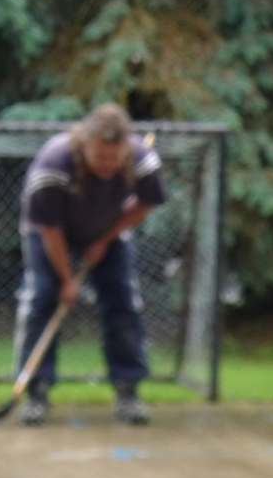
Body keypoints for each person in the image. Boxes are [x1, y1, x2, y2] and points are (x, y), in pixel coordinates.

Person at [14, 103, 166, 426]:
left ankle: (128, 389)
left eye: (114, 158)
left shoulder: (142, 161)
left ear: (125, 149)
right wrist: (67, 280)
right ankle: (36, 391)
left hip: (107, 230)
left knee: (123, 301)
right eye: (100, 157)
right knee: (43, 298)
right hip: (50, 233)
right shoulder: (53, 165)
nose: (108, 165)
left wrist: (105, 240)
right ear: (84, 144)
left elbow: (144, 205)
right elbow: (50, 230)